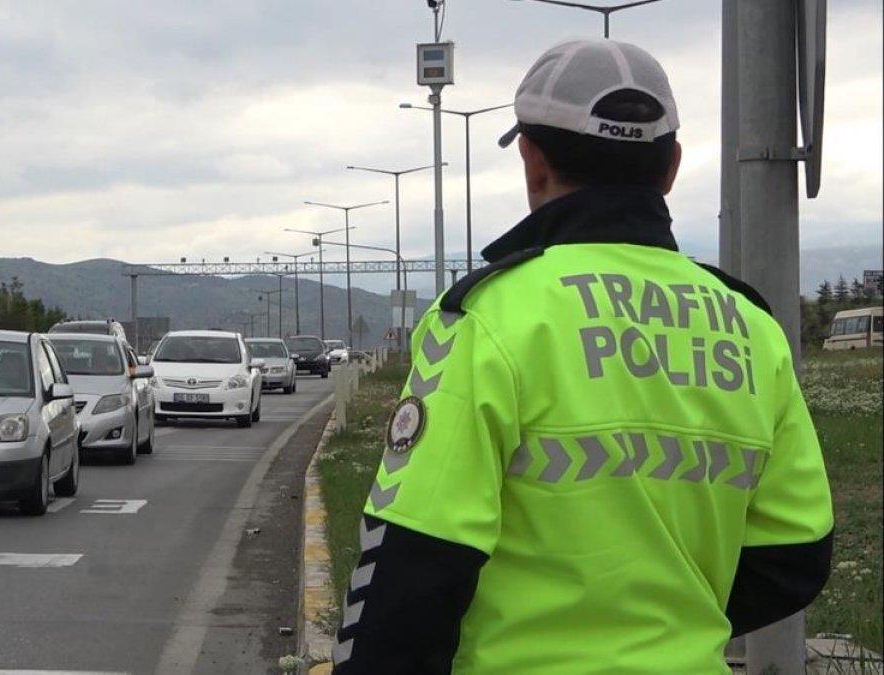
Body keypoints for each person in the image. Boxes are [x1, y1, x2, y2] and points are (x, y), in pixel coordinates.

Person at [333, 39, 833, 674]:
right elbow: (797, 552)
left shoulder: (490, 319)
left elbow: (411, 565)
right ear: (672, 166)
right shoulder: (750, 326)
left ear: (532, 161)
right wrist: (659, 624)